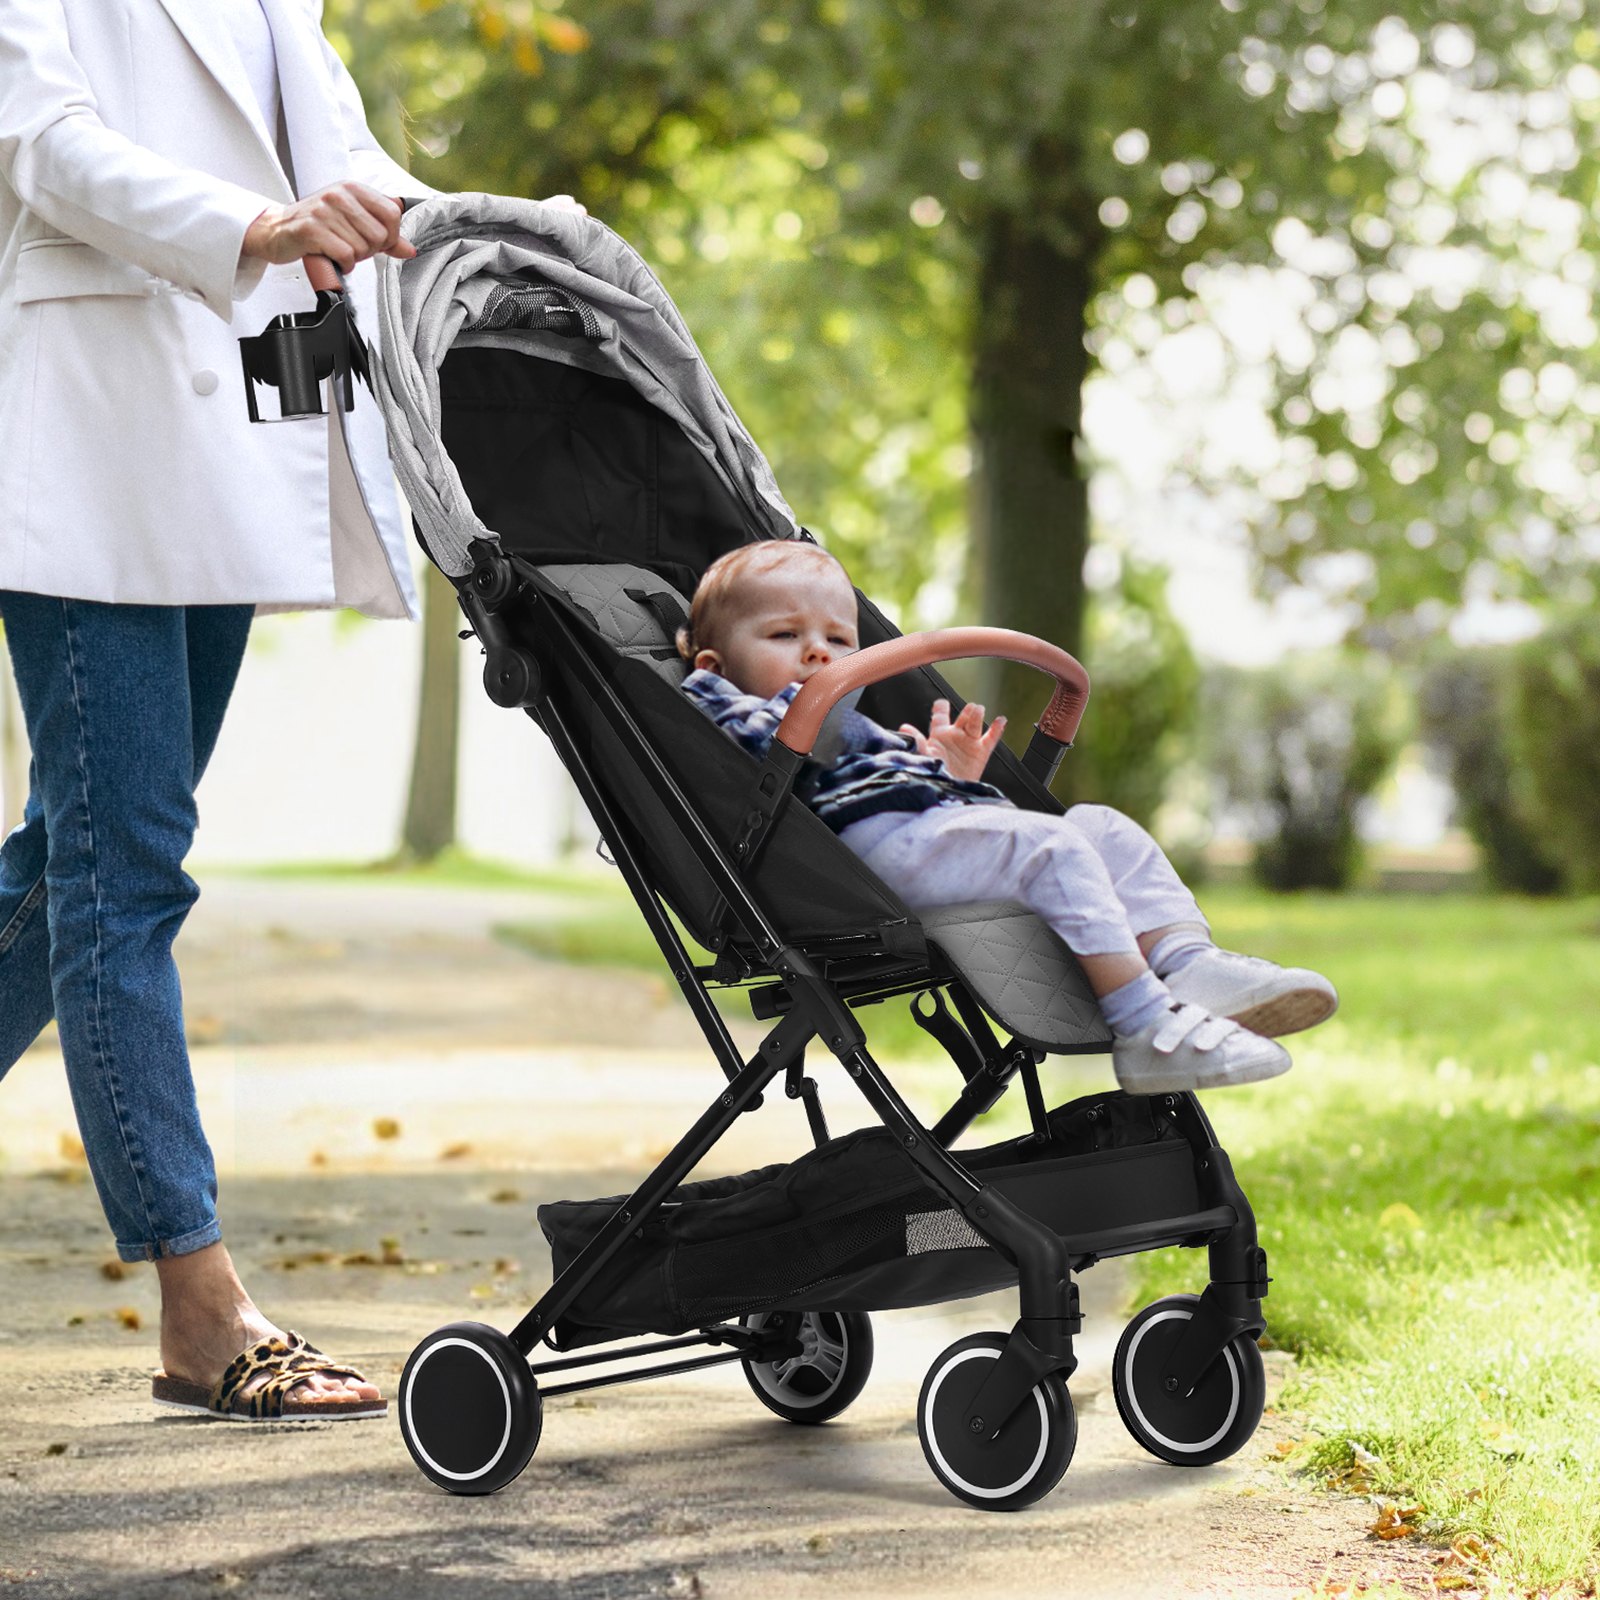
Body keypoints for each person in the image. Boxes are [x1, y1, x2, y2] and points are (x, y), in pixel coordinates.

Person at [0, 0, 571, 1422]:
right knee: (122, 876)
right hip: (85, 438)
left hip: (216, 446)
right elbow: (45, 145)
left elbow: (342, 155)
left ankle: (199, 1304)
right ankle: (202, 1312)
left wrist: (497, 235)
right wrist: (260, 227)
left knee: (69, 866)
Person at [676, 541, 1338, 1093]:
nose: (819, 654)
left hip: (919, 831)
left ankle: (1188, 964)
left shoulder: (856, 730)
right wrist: (818, 710)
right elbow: (779, 747)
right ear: (714, 664)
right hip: (860, 862)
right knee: (1049, 848)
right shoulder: (724, 706)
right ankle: (1145, 1026)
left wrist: (950, 771)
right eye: (785, 635)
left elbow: (889, 781)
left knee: (1100, 826)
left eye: (839, 640)